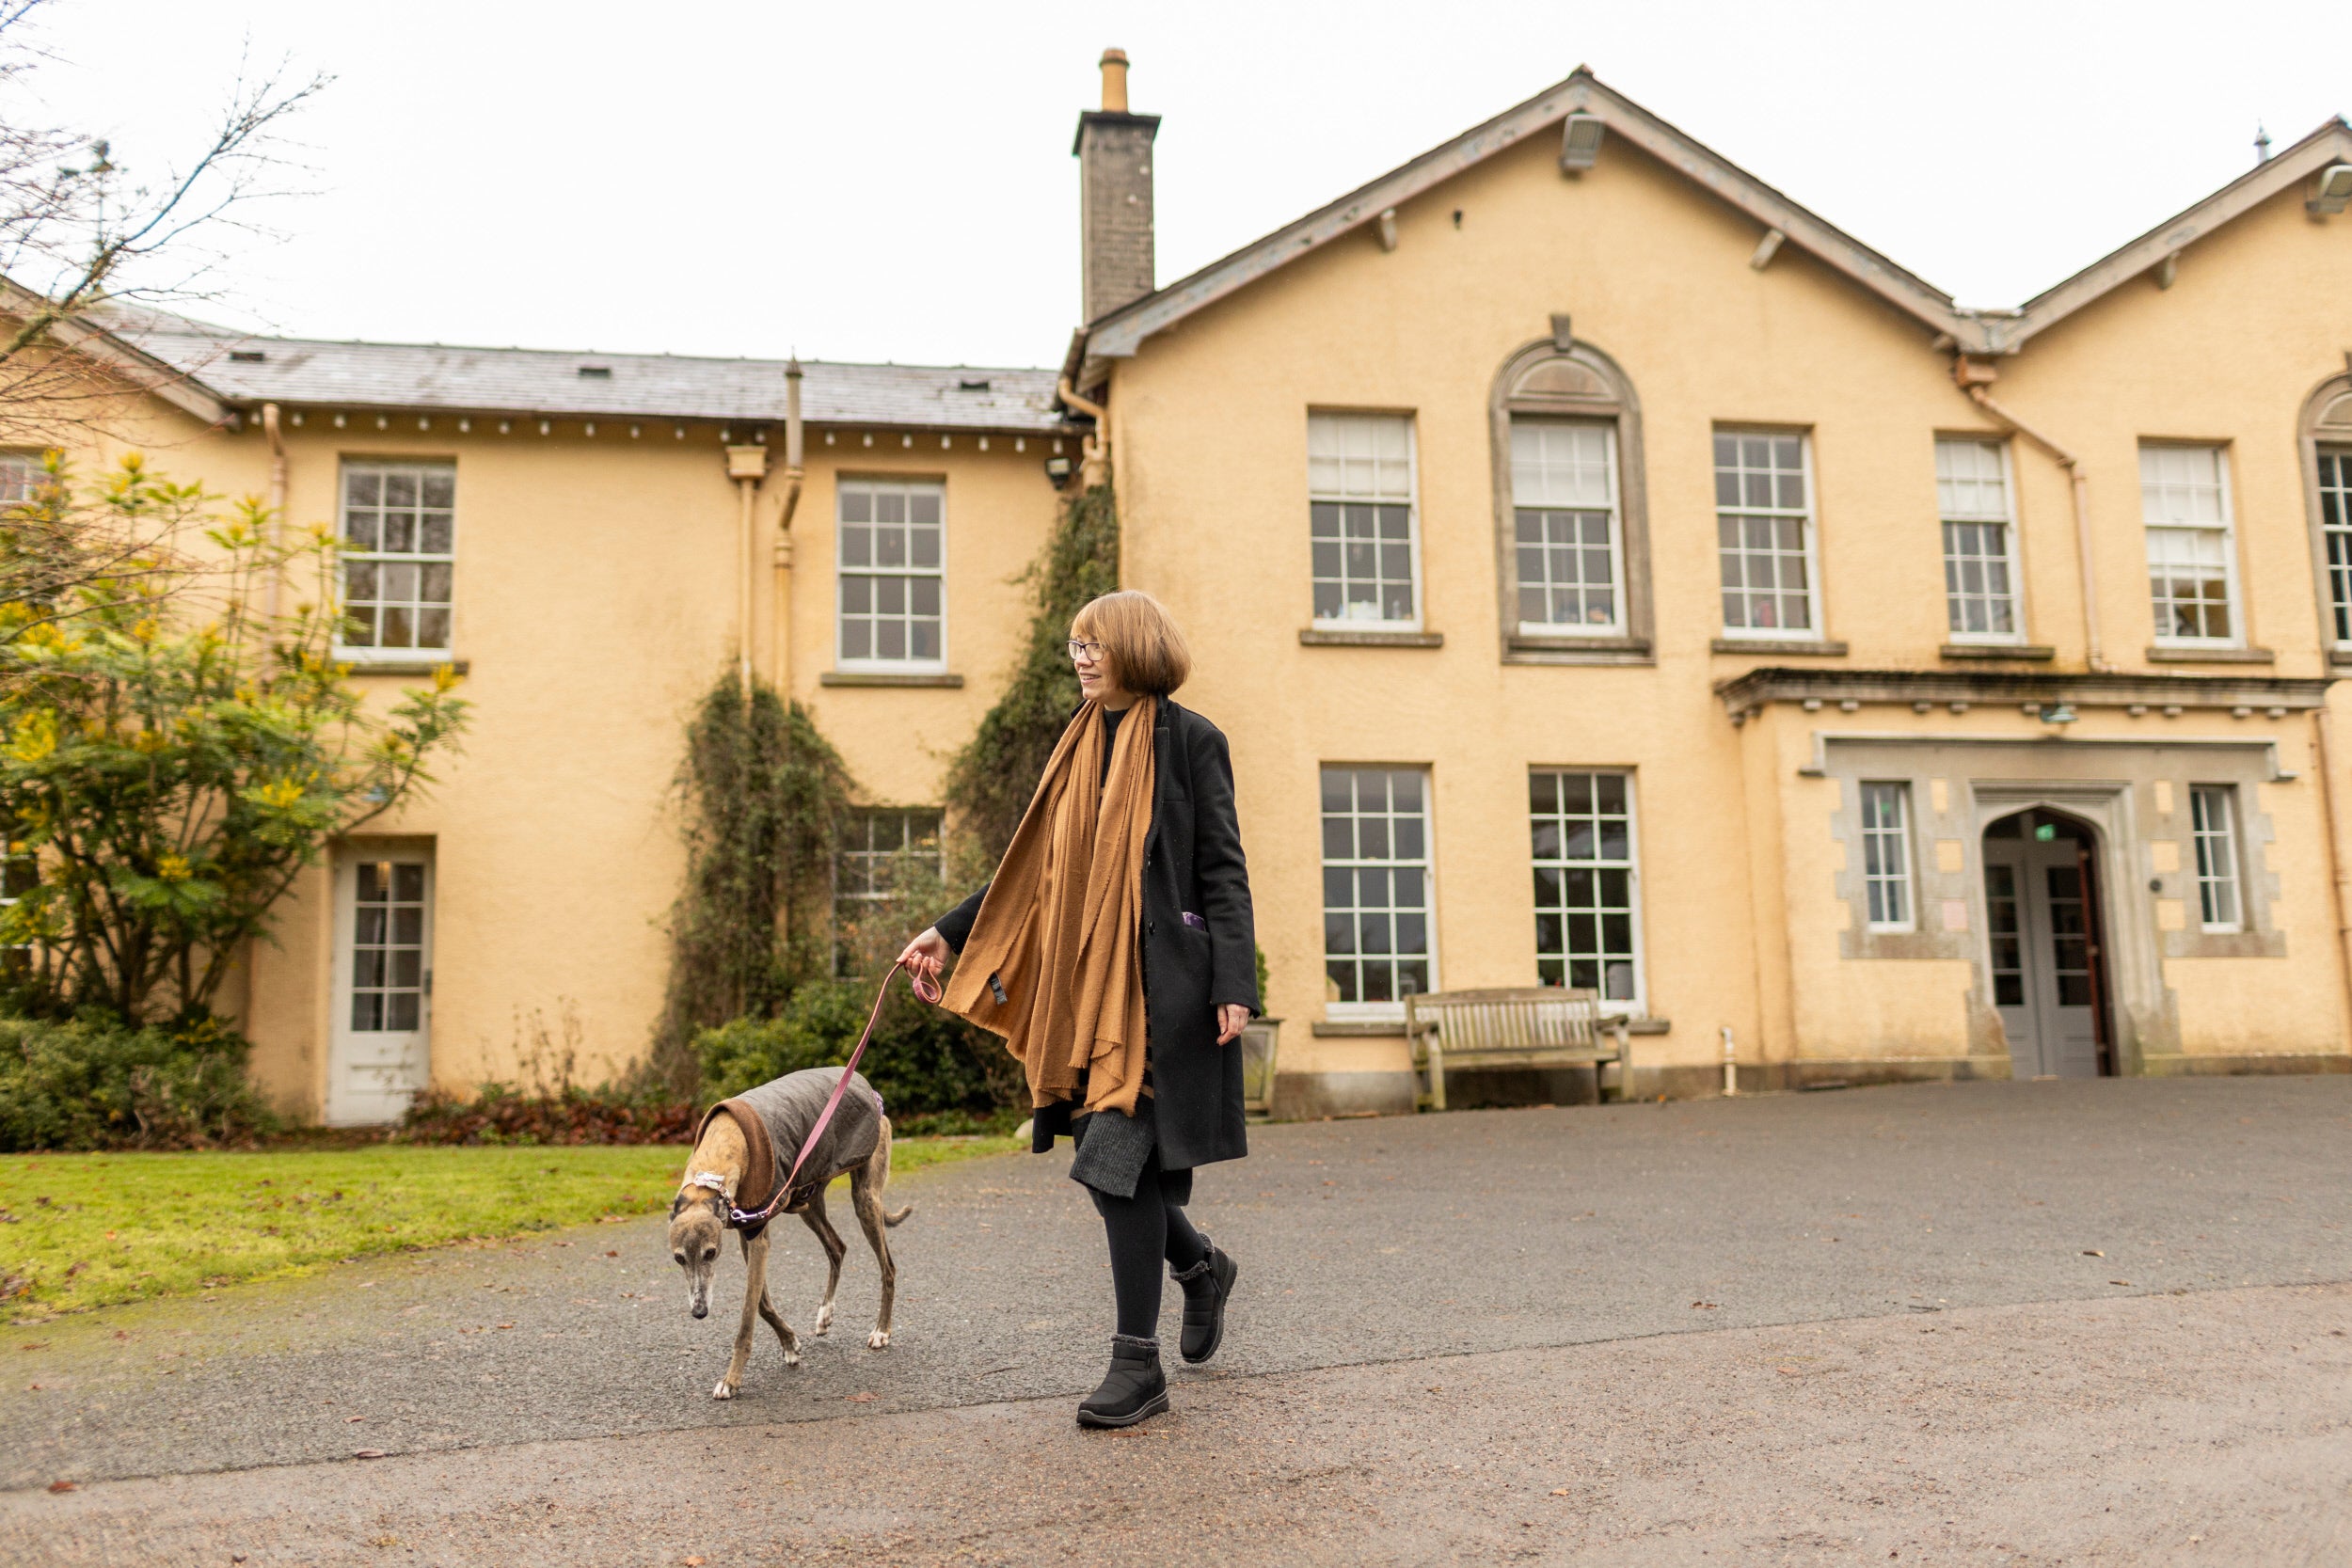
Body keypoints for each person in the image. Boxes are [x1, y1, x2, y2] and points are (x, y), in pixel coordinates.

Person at [898, 589, 1257, 1429]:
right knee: (1114, 1169)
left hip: (1159, 996)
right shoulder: (1073, 749)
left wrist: (1232, 982)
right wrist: (949, 933)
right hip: (1082, 987)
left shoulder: (1193, 741)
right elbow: (1033, 871)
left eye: (1095, 644)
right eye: (1074, 646)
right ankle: (1200, 1267)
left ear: (1135, 646)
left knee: (1109, 1163)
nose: (1082, 658)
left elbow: (1222, 869)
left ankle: (1139, 1365)